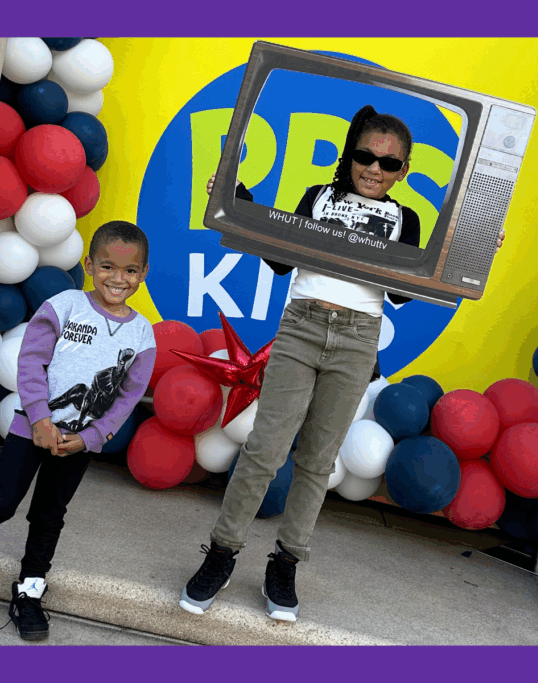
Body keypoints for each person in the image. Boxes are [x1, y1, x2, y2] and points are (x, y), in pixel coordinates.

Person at [179, 105, 503, 622]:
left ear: (404, 171)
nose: (374, 169)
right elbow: (279, 256)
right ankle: (221, 554)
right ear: (349, 157)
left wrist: (469, 253)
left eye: (388, 164)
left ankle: (284, 564)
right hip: (302, 326)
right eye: (364, 156)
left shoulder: (407, 219)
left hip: (357, 340)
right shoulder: (318, 197)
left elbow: (403, 292)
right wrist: (234, 200)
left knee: (317, 460)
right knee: (264, 449)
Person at [0, 220, 155, 641]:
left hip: (78, 444)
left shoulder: (142, 334)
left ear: (143, 274)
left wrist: (91, 438)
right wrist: (39, 418)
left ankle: (29, 592)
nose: (119, 278)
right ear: (90, 265)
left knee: (49, 514)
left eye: (130, 271)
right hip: (31, 430)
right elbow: (31, 362)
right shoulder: (64, 306)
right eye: (109, 266)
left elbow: (128, 397)